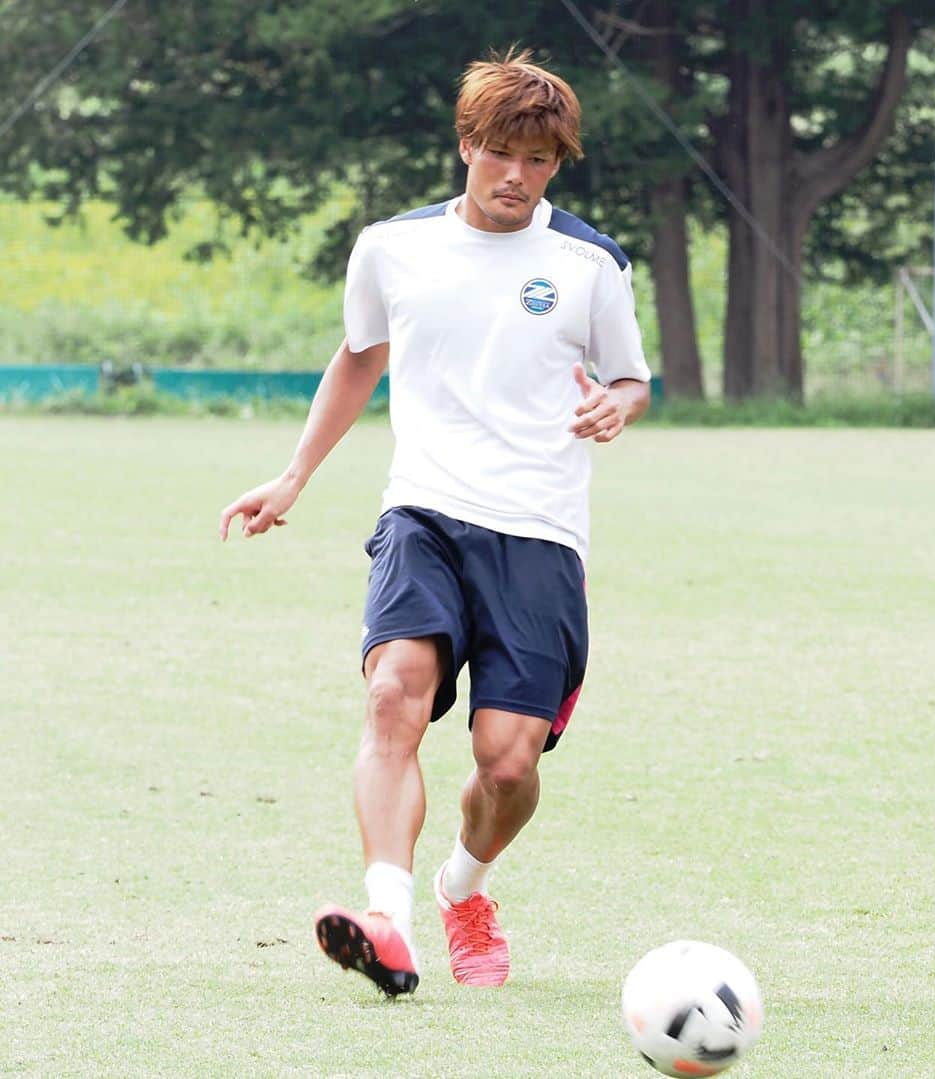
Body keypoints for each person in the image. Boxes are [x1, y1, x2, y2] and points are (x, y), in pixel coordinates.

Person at [219, 48, 651, 997]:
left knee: (506, 761)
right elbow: (357, 357)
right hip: (422, 511)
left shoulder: (588, 263)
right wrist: (294, 475)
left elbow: (630, 375)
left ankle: (466, 886)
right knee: (393, 696)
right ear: (468, 144)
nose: (516, 176)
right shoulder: (392, 247)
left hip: (538, 530)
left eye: (539, 161)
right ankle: (389, 917)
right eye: (502, 153)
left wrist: (619, 404)